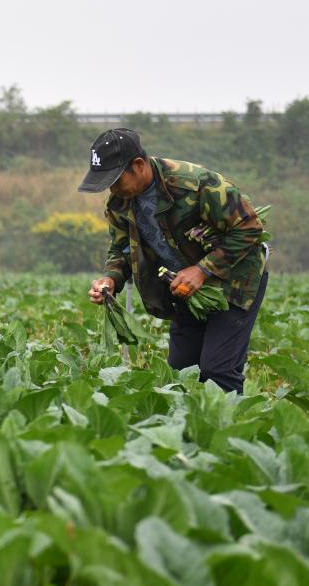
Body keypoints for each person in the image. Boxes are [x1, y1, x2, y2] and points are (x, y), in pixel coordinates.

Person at [80, 128, 268, 394]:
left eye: (116, 180)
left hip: (235, 280)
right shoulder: (120, 204)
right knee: (182, 373)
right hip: (182, 288)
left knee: (217, 371)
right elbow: (122, 250)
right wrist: (111, 279)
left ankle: (229, 428)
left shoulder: (196, 183)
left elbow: (249, 227)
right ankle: (188, 432)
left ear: (138, 165)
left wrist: (203, 270)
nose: (113, 189)